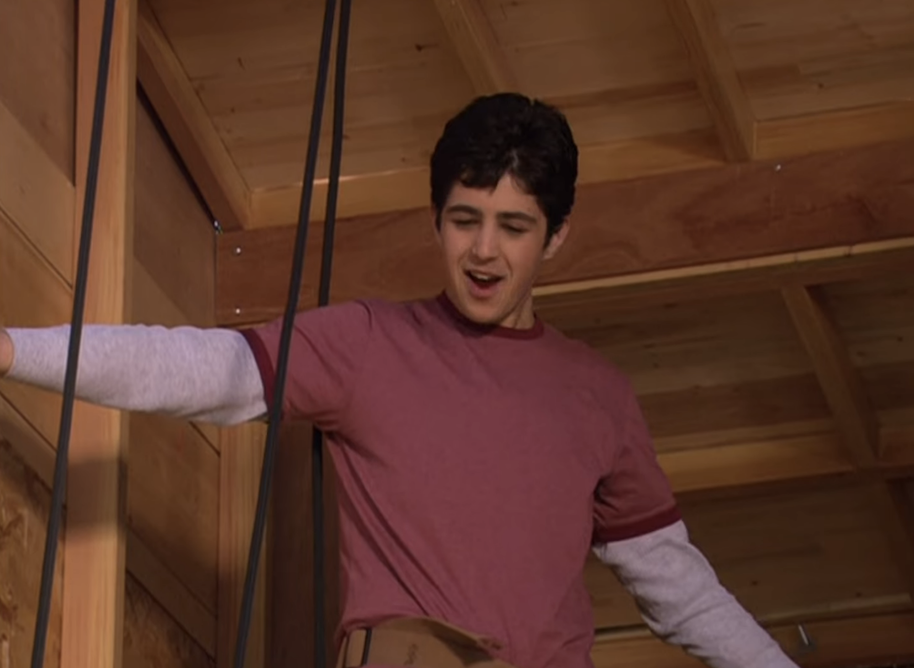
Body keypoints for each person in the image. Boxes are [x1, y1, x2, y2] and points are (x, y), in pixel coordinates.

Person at [0, 93, 797, 668]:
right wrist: (10, 350)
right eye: (463, 220)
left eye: (513, 227)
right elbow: (200, 369)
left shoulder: (599, 396)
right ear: (436, 219)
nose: (483, 252)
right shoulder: (369, 344)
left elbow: (679, 590)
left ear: (554, 239)